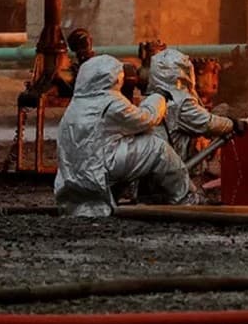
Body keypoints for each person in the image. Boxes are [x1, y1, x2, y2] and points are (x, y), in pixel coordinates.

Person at [52, 55, 192, 218]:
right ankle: (185, 198)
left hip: (74, 175)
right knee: (156, 148)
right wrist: (158, 96)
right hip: (98, 169)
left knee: (124, 148)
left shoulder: (76, 105)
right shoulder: (110, 102)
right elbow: (147, 118)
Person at [148, 47, 241, 164]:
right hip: (176, 168)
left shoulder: (152, 99)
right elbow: (207, 123)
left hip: (160, 165)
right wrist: (233, 124)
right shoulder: (179, 101)